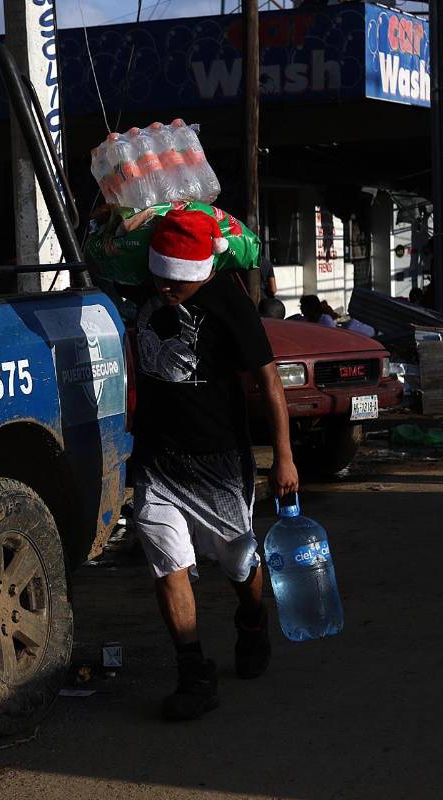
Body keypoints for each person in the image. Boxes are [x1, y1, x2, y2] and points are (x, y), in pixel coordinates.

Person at [130, 209, 299, 721]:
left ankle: (252, 618)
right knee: (169, 565)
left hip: (219, 462)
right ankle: (193, 672)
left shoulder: (228, 299)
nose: (165, 288)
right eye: (159, 276)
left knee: (238, 563)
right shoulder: (142, 285)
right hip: (157, 459)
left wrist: (284, 457)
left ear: (200, 271)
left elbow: (270, 382)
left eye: (175, 281)